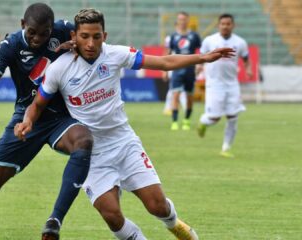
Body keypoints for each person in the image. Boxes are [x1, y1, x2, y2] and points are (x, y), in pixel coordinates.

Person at [14, 8, 234, 240]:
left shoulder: (116, 55)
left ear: (104, 36)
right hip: (91, 154)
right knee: (112, 215)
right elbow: (37, 104)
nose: (90, 43)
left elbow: (165, 61)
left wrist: (203, 57)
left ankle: (176, 225)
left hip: (124, 143)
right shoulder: (59, 68)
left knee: (157, 206)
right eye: (84, 36)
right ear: (74, 37)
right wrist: (26, 121)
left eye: (96, 36)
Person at [0, 3, 93, 240]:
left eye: (44, 33)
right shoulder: (10, 44)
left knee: (83, 141)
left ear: (51, 28)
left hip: (61, 116)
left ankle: (54, 221)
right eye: (32, 32)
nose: (38, 38)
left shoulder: (64, 30)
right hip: (26, 117)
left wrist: (77, 44)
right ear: (23, 25)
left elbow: (91, 40)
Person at [197, 13, 252, 158]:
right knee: (214, 118)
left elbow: (246, 58)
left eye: (228, 24)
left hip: (232, 85)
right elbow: (201, 57)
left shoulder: (240, 42)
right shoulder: (210, 41)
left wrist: (248, 69)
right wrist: (198, 68)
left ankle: (226, 148)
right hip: (214, 85)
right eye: (223, 24)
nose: (225, 26)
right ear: (218, 25)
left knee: (233, 117)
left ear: (233, 25)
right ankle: (203, 122)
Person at [162, 11, 201, 130]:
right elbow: (167, 53)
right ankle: (174, 122)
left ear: (188, 21)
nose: (182, 21)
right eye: (180, 19)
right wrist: (164, 70)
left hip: (190, 69)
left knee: (189, 96)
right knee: (175, 95)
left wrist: (200, 65)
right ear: (177, 21)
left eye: (184, 19)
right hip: (177, 68)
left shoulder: (194, 36)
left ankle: (186, 121)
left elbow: (200, 51)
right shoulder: (173, 37)